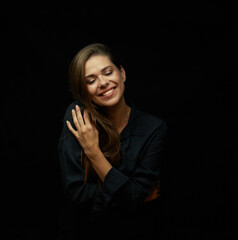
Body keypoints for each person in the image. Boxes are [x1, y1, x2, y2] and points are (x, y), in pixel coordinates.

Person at [58, 43, 167, 240]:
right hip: (83, 232)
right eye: (91, 80)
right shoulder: (77, 117)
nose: (102, 82)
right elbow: (76, 194)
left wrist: (93, 153)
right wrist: (129, 196)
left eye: (108, 72)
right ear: (83, 90)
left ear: (122, 74)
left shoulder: (154, 128)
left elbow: (135, 198)